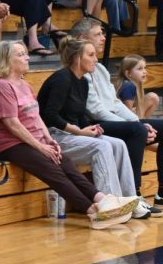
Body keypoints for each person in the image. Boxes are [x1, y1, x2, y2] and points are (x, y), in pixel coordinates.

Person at [0, 41, 131, 229]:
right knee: (50, 167)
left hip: (29, 140)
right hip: (9, 144)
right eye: (20, 55)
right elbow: (13, 124)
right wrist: (41, 147)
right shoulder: (1, 87)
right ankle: (92, 212)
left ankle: (101, 198)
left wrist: (49, 140)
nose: (27, 57)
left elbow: (37, 117)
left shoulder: (24, 85)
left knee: (64, 161)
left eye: (26, 53)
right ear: (6, 61)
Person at [71, 18, 163, 213]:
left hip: (113, 119)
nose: (103, 38)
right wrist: (136, 126)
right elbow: (96, 110)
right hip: (95, 124)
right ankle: (134, 194)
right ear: (81, 38)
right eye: (98, 34)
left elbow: (114, 102)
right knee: (136, 130)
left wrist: (137, 121)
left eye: (103, 33)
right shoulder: (79, 72)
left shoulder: (101, 69)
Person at [37, 40, 142, 214]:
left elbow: (78, 116)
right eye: (91, 55)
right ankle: (110, 204)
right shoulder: (62, 79)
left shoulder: (83, 83)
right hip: (52, 136)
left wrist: (92, 129)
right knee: (102, 146)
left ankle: (131, 199)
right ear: (78, 58)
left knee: (118, 143)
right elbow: (49, 115)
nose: (96, 59)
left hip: (72, 135)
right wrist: (79, 131)